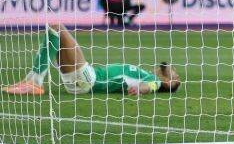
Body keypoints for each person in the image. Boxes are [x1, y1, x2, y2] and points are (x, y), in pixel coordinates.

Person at [3, 23, 180, 96]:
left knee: (56, 27)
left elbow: (154, 86)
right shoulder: (149, 74)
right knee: (54, 34)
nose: (169, 70)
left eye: (173, 74)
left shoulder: (154, 80)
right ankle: (32, 81)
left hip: (89, 79)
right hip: (82, 80)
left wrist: (141, 89)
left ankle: (35, 82)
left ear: (168, 80)